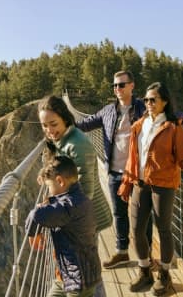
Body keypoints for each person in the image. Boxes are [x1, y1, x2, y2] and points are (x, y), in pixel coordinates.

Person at [76, 70, 183, 269]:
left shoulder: (144, 106)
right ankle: (122, 252)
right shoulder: (107, 111)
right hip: (114, 171)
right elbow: (84, 125)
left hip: (139, 174)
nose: (117, 89)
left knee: (142, 220)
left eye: (121, 85)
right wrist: (61, 127)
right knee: (119, 213)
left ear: (132, 86)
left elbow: (171, 116)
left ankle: (144, 259)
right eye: (114, 85)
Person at [117, 82, 183, 296]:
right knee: (137, 229)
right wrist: (129, 179)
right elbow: (134, 157)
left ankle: (164, 275)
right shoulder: (139, 125)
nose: (148, 103)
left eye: (153, 99)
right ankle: (145, 270)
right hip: (139, 183)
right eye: (146, 99)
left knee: (164, 230)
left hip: (163, 186)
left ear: (164, 102)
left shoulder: (174, 128)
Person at [38, 95, 112, 297]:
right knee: (88, 272)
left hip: (84, 218)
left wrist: (57, 215)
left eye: (53, 124)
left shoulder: (76, 144)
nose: (49, 131)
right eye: (44, 126)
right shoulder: (64, 139)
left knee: (86, 275)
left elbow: (84, 192)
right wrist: (46, 173)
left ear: (65, 118)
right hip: (81, 215)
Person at [26, 156, 102, 297]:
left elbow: (36, 215)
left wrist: (33, 234)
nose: (48, 191)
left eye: (49, 187)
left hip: (79, 280)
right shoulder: (79, 198)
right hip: (68, 275)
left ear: (60, 181)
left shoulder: (68, 207)